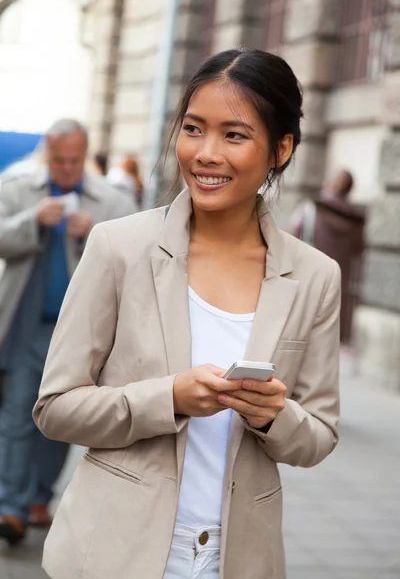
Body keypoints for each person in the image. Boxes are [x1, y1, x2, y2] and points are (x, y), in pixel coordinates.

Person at [33, 50, 341, 579]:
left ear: (281, 149)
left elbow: (319, 436)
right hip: (113, 552)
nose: (206, 153)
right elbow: (55, 408)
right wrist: (168, 397)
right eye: (194, 129)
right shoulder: (119, 248)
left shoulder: (315, 276)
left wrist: (271, 414)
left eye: (235, 135)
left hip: (239, 559)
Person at [0, 118, 136, 545]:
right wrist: (31, 220)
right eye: (58, 160)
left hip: (81, 335)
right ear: (47, 154)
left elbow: (135, 258)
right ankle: (11, 507)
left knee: (61, 419)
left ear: (85, 154)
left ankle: (38, 496)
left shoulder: (112, 202)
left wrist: (93, 232)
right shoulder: (20, 188)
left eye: (73, 160)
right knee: (16, 414)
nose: (65, 168)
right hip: (27, 324)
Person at [292, 170, 365, 344]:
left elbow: (293, 241)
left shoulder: (311, 210)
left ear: (330, 184)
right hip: (340, 289)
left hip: (310, 284)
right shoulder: (356, 219)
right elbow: (358, 250)